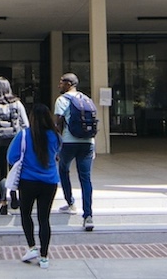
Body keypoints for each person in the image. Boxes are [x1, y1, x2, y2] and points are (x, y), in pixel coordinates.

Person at [9, 102, 61, 269]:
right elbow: (58, 153)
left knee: (26, 214)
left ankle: (31, 247)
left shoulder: (24, 135)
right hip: (50, 181)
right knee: (44, 218)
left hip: (27, 181)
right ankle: (44, 256)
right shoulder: (55, 135)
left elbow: (11, 157)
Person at [54, 72, 96, 231]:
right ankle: (88, 216)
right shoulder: (86, 99)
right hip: (87, 143)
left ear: (69, 84)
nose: (59, 85)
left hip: (69, 142)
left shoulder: (62, 100)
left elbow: (58, 124)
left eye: (61, 82)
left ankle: (70, 203)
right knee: (86, 179)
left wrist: (56, 146)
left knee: (63, 170)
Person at [0, 76, 29, 215]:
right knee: (16, 170)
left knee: (2, 172)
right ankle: (15, 197)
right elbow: (26, 124)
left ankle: (3, 202)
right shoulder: (17, 104)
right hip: (16, 141)